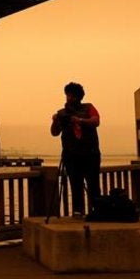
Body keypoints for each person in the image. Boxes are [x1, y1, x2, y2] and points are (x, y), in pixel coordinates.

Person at [50, 82, 102, 217]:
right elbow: (54, 133)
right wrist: (55, 121)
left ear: (78, 97)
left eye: (71, 96)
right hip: (71, 155)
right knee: (75, 184)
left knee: (93, 184)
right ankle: (78, 212)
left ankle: (97, 211)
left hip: (90, 154)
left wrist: (78, 120)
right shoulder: (62, 113)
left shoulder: (89, 107)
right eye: (68, 95)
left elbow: (96, 121)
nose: (69, 98)